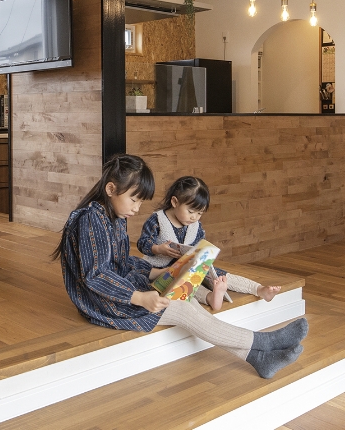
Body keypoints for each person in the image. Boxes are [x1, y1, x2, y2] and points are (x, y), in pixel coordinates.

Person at [52, 154, 307, 379]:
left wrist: (157, 273)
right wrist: (140, 297)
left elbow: (121, 261)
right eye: (134, 200)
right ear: (110, 189)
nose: (137, 208)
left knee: (186, 297)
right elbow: (96, 276)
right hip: (102, 301)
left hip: (121, 289)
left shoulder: (114, 215)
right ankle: (264, 343)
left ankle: (258, 357)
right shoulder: (90, 220)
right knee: (184, 310)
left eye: (141, 202)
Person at [137, 176, 281, 311]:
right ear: (175, 202)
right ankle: (211, 297)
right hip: (161, 269)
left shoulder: (195, 226)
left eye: (199, 213)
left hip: (188, 266)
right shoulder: (157, 220)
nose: (194, 217)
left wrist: (202, 256)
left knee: (218, 275)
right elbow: (142, 243)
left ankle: (259, 289)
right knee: (186, 283)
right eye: (191, 211)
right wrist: (158, 249)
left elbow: (200, 245)